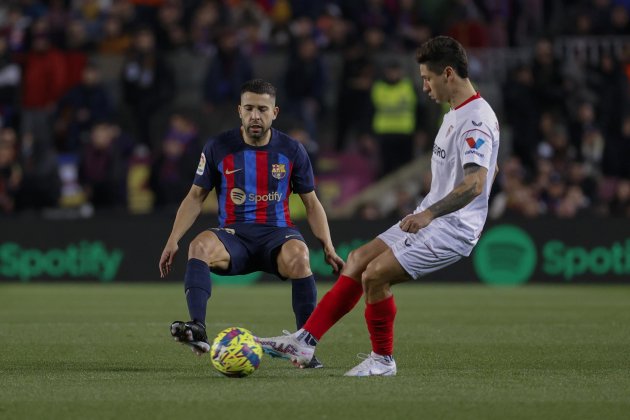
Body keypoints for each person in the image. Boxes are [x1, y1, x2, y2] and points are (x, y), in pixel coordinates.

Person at [258, 36, 500, 376]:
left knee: (375, 276)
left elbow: (476, 182)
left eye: (427, 78)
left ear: (448, 74)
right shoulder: (455, 114)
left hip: (452, 229)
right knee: (357, 260)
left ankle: (383, 360)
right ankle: (305, 340)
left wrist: (429, 212)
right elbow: (490, 169)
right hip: (431, 217)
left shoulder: (474, 119)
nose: (424, 86)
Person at [158, 79, 344, 369]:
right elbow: (195, 197)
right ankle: (197, 328)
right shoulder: (219, 146)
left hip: (277, 235)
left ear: (275, 112)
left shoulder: (293, 150)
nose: (255, 115)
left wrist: (328, 247)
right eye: (249, 108)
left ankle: (304, 345)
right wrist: (173, 239)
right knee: (199, 246)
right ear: (239, 111)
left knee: (300, 256)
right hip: (235, 236)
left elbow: (312, 203)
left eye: (262, 109)